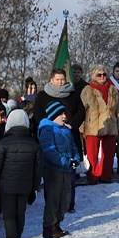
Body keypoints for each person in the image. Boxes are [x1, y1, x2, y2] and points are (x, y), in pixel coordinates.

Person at [0, 109, 42, 238]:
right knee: (20, 213)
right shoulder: (33, 143)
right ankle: (16, 237)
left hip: (7, 185)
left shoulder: (3, 143)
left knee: (9, 214)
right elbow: (38, 169)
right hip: (25, 185)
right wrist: (35, 188)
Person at [33, 68, 85, 210]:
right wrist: (50, 126)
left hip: (69, 134)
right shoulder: (43, 95)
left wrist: (71, 125)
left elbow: (81, 112)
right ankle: (53, 203)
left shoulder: (73, 94)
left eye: (63, 79)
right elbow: (37, 113)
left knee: (71, 173)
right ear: (52, 80)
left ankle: (69, 203)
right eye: (58, 80)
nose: (61, 82)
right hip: (50, 136)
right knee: (53, 173)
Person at [38, 102, 80, 238]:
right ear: (54, 115)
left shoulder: (66, 130)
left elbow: (73, 146)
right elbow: (49, 151)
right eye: (61, 114)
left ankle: (57, 223)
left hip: (66, 169)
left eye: (64, 114)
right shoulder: (47, 129)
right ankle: (49, 227)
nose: (64, 116)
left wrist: (76, 158)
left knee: (65, 199)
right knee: (53, 199)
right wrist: (66, 161)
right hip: (53, 170)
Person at [80, 64, 119, 183]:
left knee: (109, 154)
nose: (102, 77)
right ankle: (93, 176)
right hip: (92, 126)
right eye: (99, 75)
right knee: (92, 155)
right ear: (94, 76)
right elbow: (81, 110)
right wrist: (81, 128)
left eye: (104, 74)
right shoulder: (87, 90)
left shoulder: (113, 89)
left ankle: (106, 176)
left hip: (110, 125)